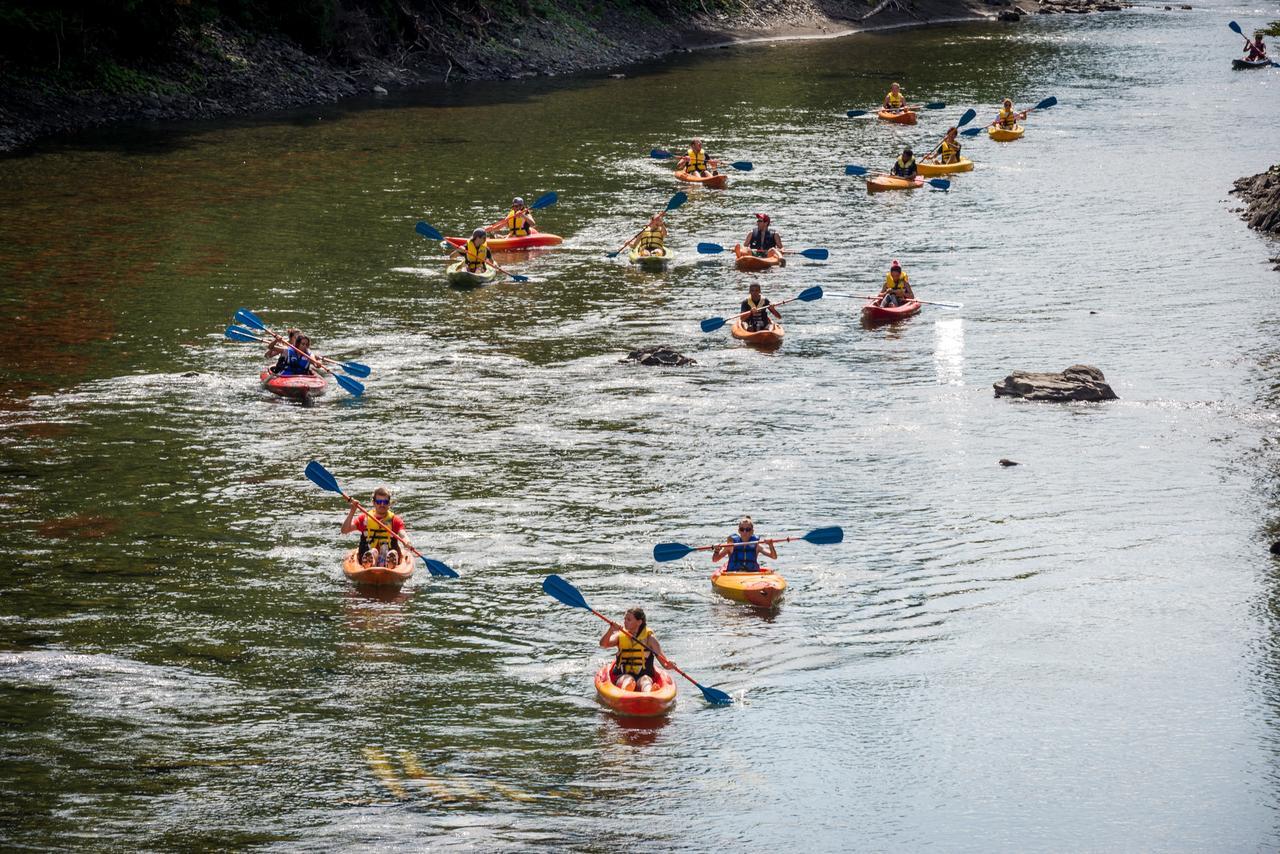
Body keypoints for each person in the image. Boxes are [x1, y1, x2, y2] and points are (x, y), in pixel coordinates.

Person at [599, 607, 674, 692]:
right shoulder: (620, 635)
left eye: (629, 619)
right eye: (625, 619)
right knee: (628, 679)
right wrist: (610, 630)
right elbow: (603, 644)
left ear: (639, 622)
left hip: (644, 674)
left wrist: (670, 665)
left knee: (645, 680)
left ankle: (649, 692)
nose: (625, 622)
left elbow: (664, 663)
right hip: (623, 674)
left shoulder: (649, 638)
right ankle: (627, 690)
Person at [341, 487, 407, 568]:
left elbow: (403, 534)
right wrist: (352, 511)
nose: (382, 504)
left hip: (387, 553)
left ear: (389, 503)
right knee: (373, 551)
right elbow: (344, 530)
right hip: (367, 552)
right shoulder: (364, 519)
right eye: (379, 502)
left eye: (385, 502)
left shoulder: (395, 520)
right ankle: (370, 559)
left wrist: (407, 542)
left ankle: (390, 560)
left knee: (393, 552)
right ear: (374, 502)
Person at [711, 516, 778, 572]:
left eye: (748, 529)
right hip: (734, 575)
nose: (745, 532)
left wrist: (770, 545)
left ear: (752, 531)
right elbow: (715, 560)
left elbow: (774, 557)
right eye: (742, 529)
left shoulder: (757, 546)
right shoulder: (731, 545)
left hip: (752, 575)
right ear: (739, 531)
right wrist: (717, 550)